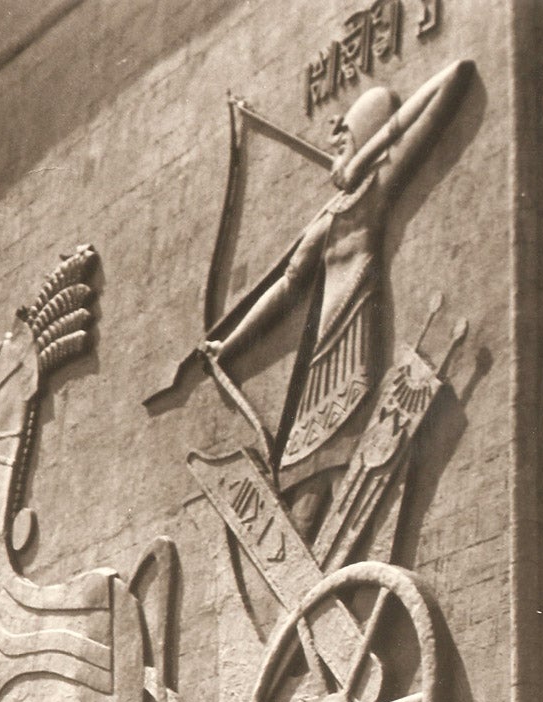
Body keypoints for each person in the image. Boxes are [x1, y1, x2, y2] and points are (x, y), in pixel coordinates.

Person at [202, 60, 475, 520]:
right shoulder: (328, 217)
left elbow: (455, 76)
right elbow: (288, 286)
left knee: (347, 480)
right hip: (318, 364)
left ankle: (345, 578)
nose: (335, 150)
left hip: (355, 342)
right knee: (306, 497)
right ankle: (314, 588)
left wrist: (368, 154)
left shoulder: (378, 188)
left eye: (344, 139)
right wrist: (227, 346)